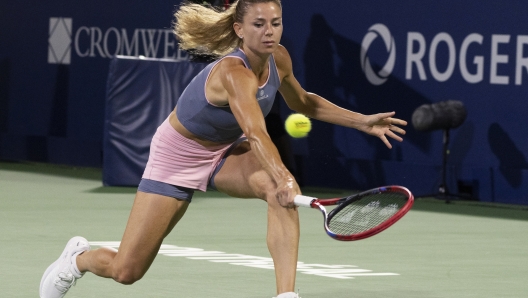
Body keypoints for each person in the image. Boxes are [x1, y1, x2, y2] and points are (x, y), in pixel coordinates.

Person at [39, 1, 407, 297]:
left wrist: (361, 121)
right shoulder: (234, 73)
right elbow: (256, 132)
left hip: (224, 153)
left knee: (277, 193)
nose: (269, 31)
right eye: (259, 24)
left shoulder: (278, 58)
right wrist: (281, 176)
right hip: (177, 156)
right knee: (127, 271)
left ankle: (286, 295)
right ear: (239, 29)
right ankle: (78, 259)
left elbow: (304, 103)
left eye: (276, 23)